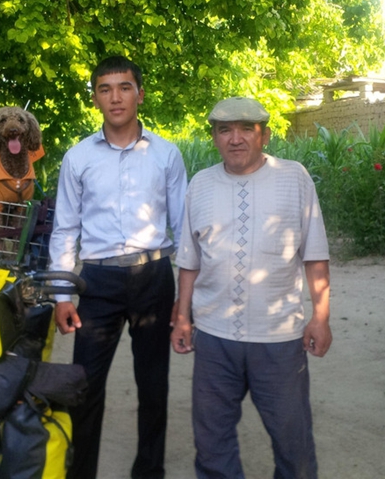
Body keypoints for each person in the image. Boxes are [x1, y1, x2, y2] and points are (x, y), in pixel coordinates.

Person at [170, 97, 332, 479]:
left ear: (265, 135)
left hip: (278, 338)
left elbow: (315, 254)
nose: (235, 139)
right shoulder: (201, 184)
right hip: (213, 338)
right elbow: (189, 260)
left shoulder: (294, 177)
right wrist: (182, 318)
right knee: (212, 443)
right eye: (225, 130)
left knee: (294, 442)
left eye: (246, 129)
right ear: (214, 137)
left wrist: (320, 317)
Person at [49, 56, 188, 479]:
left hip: (154, 277)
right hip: (98, 281)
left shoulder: (166, 154)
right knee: (85, 386)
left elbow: (184, 228)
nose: (116, 97)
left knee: (153, 385)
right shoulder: (78, 158)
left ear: (139, 94)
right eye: (106, 89)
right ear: (95, 97)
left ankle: (149, 471)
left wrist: (185, 298)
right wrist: (61, 296)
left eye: (124, 87)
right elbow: (64, 229)